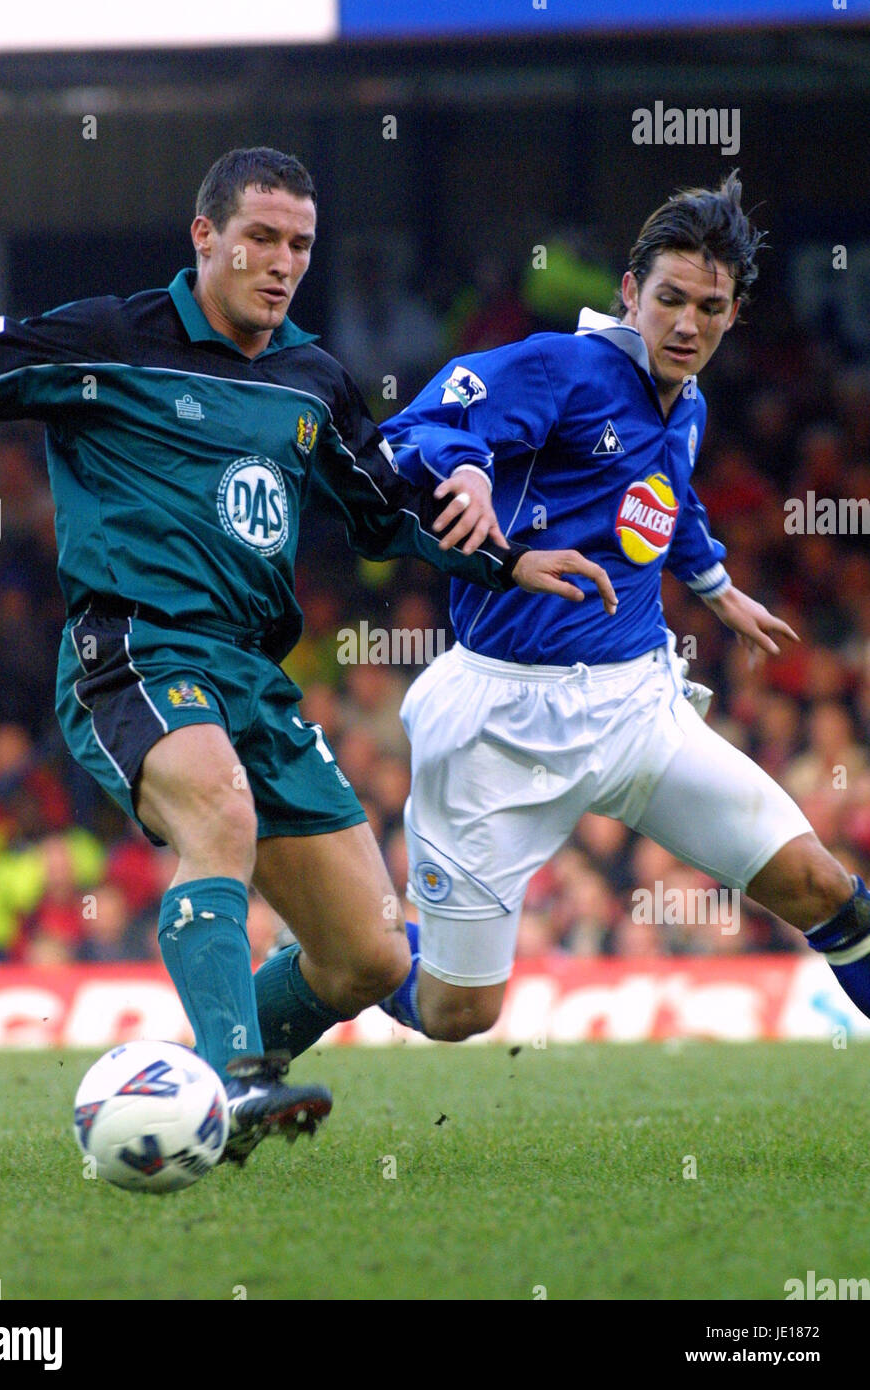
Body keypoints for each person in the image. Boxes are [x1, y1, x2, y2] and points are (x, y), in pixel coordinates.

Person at [0, 146, 614, 1160]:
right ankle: (234, 1082)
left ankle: (197, 1073)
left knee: (366, 954)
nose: (281, 262)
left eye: (299, 244)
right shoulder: (110, 337)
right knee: (220, 812)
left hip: (253, 673)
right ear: (206, 236)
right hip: (136, 648)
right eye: (261, 238)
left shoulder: (314, 380)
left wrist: (506, 561)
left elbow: (385, 516)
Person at [364, 172, 869, 1044]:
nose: (686, 324)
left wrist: (712, 584)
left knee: (824, 890)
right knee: (455, 1013)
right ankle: (345, 951)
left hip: (636, 708)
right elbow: (419, 422)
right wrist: (473, 471)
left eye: (709, 307)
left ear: (733, 313)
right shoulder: (563, 367)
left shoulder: (688, 402)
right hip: (501, 717)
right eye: (668, 298)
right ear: (630, 292)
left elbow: (665, 499)